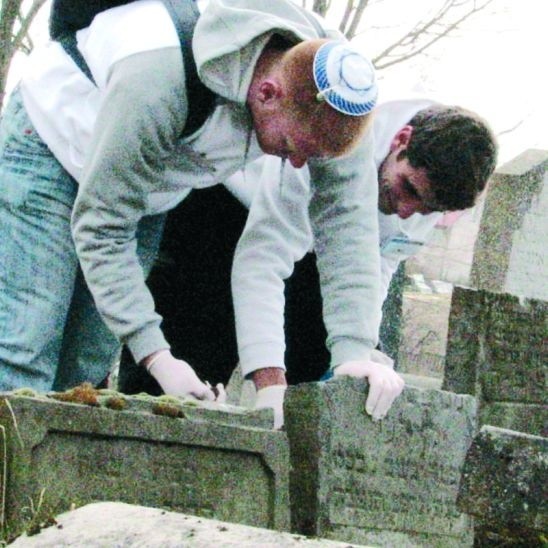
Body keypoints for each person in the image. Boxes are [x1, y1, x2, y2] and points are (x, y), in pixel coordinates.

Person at [0, 1, 381, 404]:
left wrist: (353, 354)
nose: (299, 163)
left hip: (147, 182)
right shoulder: (157, 71)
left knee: (86, 364)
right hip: (51, 139)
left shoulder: (337, 95)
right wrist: (160, 358)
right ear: (268, 93)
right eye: (292, 148)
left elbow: (347, 225)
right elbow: (102, 226)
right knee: (27, 345)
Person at [118, 90, 497, 427]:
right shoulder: (333, 145)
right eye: (407, 189)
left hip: (320, 254)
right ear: (402, 140)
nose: (405, 210)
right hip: (227, 209)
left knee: (319, 372)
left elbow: (372, 267)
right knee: (190, 369)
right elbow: (262, 260)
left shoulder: (428, 192)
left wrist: (360, 350)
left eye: (425, 208)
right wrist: (269, 384)